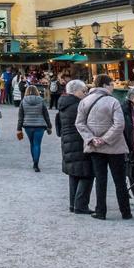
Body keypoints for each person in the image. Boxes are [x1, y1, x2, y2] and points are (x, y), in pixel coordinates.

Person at [75, 74, 132, 221]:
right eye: (112, 84)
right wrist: (105, 139)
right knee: (120, 180)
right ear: (106, 85)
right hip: (115, 146)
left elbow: (79, 123)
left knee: (100, 180)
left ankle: (101, 211)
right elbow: (119, 124)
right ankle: (125, 211)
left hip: (95, 147)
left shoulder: (85, 101)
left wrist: (92, 138)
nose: (113, 87)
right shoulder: (113, 101)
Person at [56, 79, 93, 214]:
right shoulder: (79, 106)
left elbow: (58, 129)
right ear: (76, 91)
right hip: (79, 142)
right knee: (87, 173)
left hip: (67, 143)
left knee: (74, 174)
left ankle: (73, 204)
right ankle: (80, 205)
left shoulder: (63, 105)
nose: (86, 93)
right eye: (84, 91)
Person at [17, 85, 52, 171]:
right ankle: (36, 163)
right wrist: (49, 126)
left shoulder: (23, 101)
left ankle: (34, 160)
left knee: (32, 143)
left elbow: (20, 117)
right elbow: (46, 115)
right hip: (40, 126)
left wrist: (19, 129)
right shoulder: (41, 100)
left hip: (28, 125)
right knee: (37, 144)